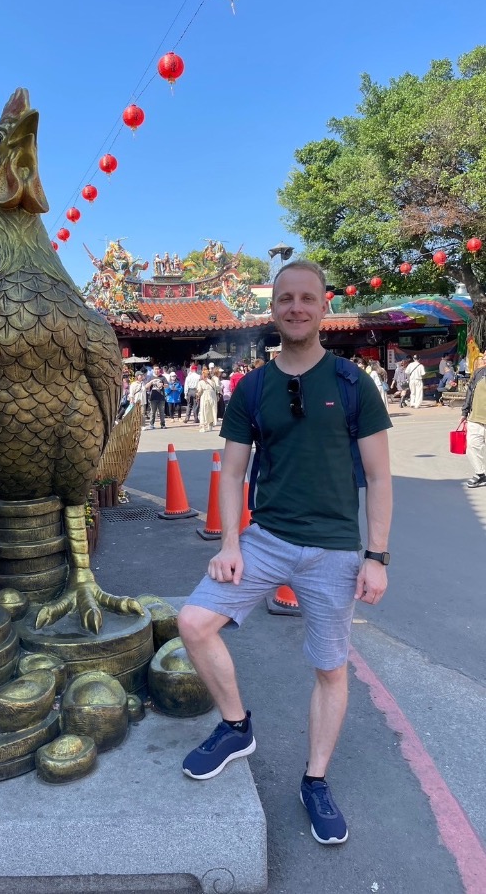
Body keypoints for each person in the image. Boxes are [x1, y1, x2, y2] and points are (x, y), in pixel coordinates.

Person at [177, 260, 392, 846]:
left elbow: (379, 475)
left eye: (306, 298)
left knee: (329, 666)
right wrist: (228, 543)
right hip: (265, 540)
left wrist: (377, 556)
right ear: (272, 309)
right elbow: (232, 471)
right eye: (285, 299)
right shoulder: (253, 387)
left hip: (334, 552)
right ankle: (236, 725)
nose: (295, 308)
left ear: (323, 306)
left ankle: (315, 780)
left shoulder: (354, 384)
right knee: (194, 621)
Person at [461, 355, 486, 488]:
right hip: (476, 418)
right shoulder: (478, 373)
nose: (485, 358)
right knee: (472, 446)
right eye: (485, 355)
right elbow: (469, 392)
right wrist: (464, 412)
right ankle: (480, 473)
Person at [196, 367, 217, 433]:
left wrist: (197, 395)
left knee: (204, 411)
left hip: (205, 396)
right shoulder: (212, 382)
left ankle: (203, 427)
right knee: (211, 410)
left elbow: (199, 391)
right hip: (213, 396)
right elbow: (216, 390)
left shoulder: (201, 382)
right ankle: (210, 425)